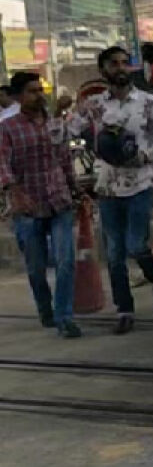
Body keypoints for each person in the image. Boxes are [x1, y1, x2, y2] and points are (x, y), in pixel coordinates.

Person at [69, 46, 153, 334]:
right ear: (103, 70)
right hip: (107, 185)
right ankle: (124, 310)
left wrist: (143, 157)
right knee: (113, 254)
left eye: (125, 63)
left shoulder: (149, 102)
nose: (121, 68)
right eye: (114, 64)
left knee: (136, 245)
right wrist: (76, 112)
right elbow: (71, 131)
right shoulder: (96, 105)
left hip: (140, 182)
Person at [0, 71, 81, 338]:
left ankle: (65, 316)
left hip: (59, 201)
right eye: (32, 91)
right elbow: (2, 164)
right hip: (28, 206)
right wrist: (13, 190)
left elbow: (65, 158)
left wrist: (77, 189)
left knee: (65, 260)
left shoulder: (55, 124)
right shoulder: (8, 128)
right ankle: (46, 309)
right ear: (18, 97)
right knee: (36, 268)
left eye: (40, 90)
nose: (39, 95)